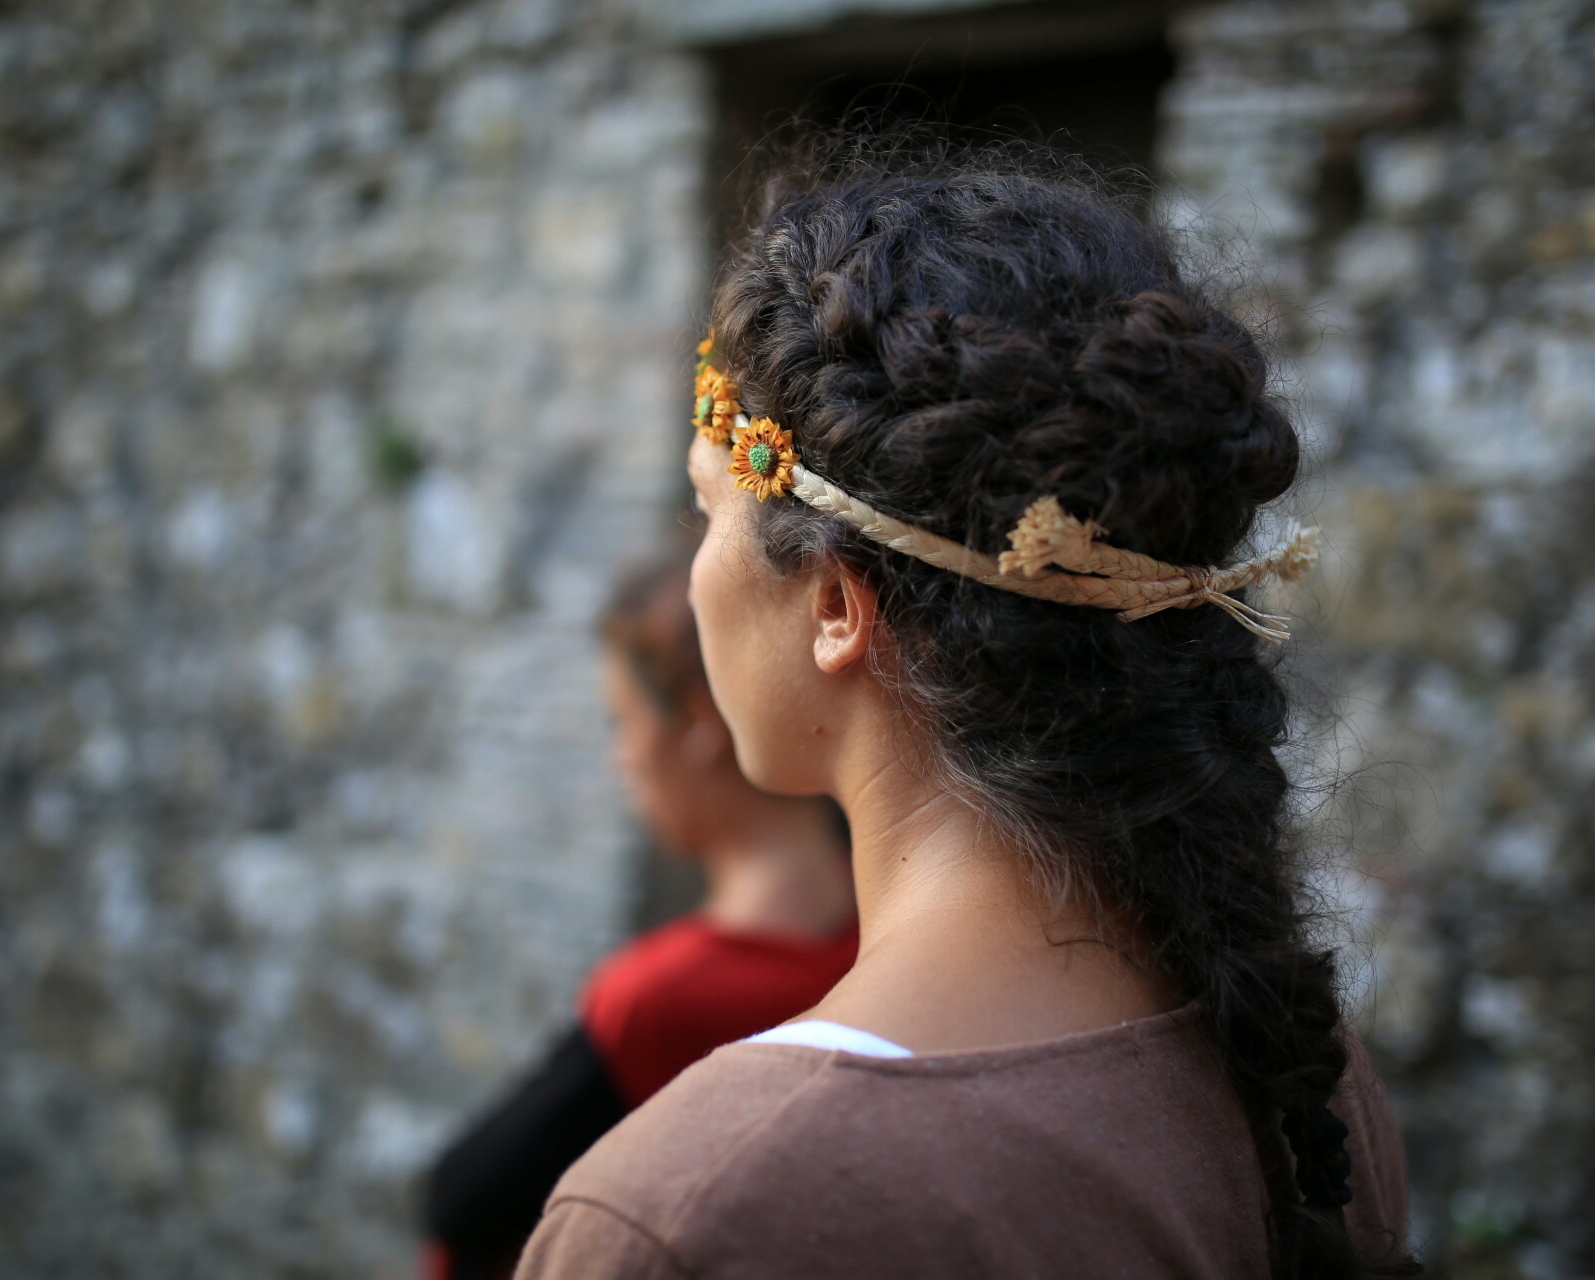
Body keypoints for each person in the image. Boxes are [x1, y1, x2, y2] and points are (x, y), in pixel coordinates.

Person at [516, 145, 1418, 1280]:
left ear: (837, 603)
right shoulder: (1304, 1083)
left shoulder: (697, 1214)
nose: (695, 575)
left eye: (708, 511)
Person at [422, 536, 857, 1280]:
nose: (621, 759)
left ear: (697, 722)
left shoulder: (659, 1000)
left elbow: (461, 1204)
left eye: (622, 722)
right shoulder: (905, 941)